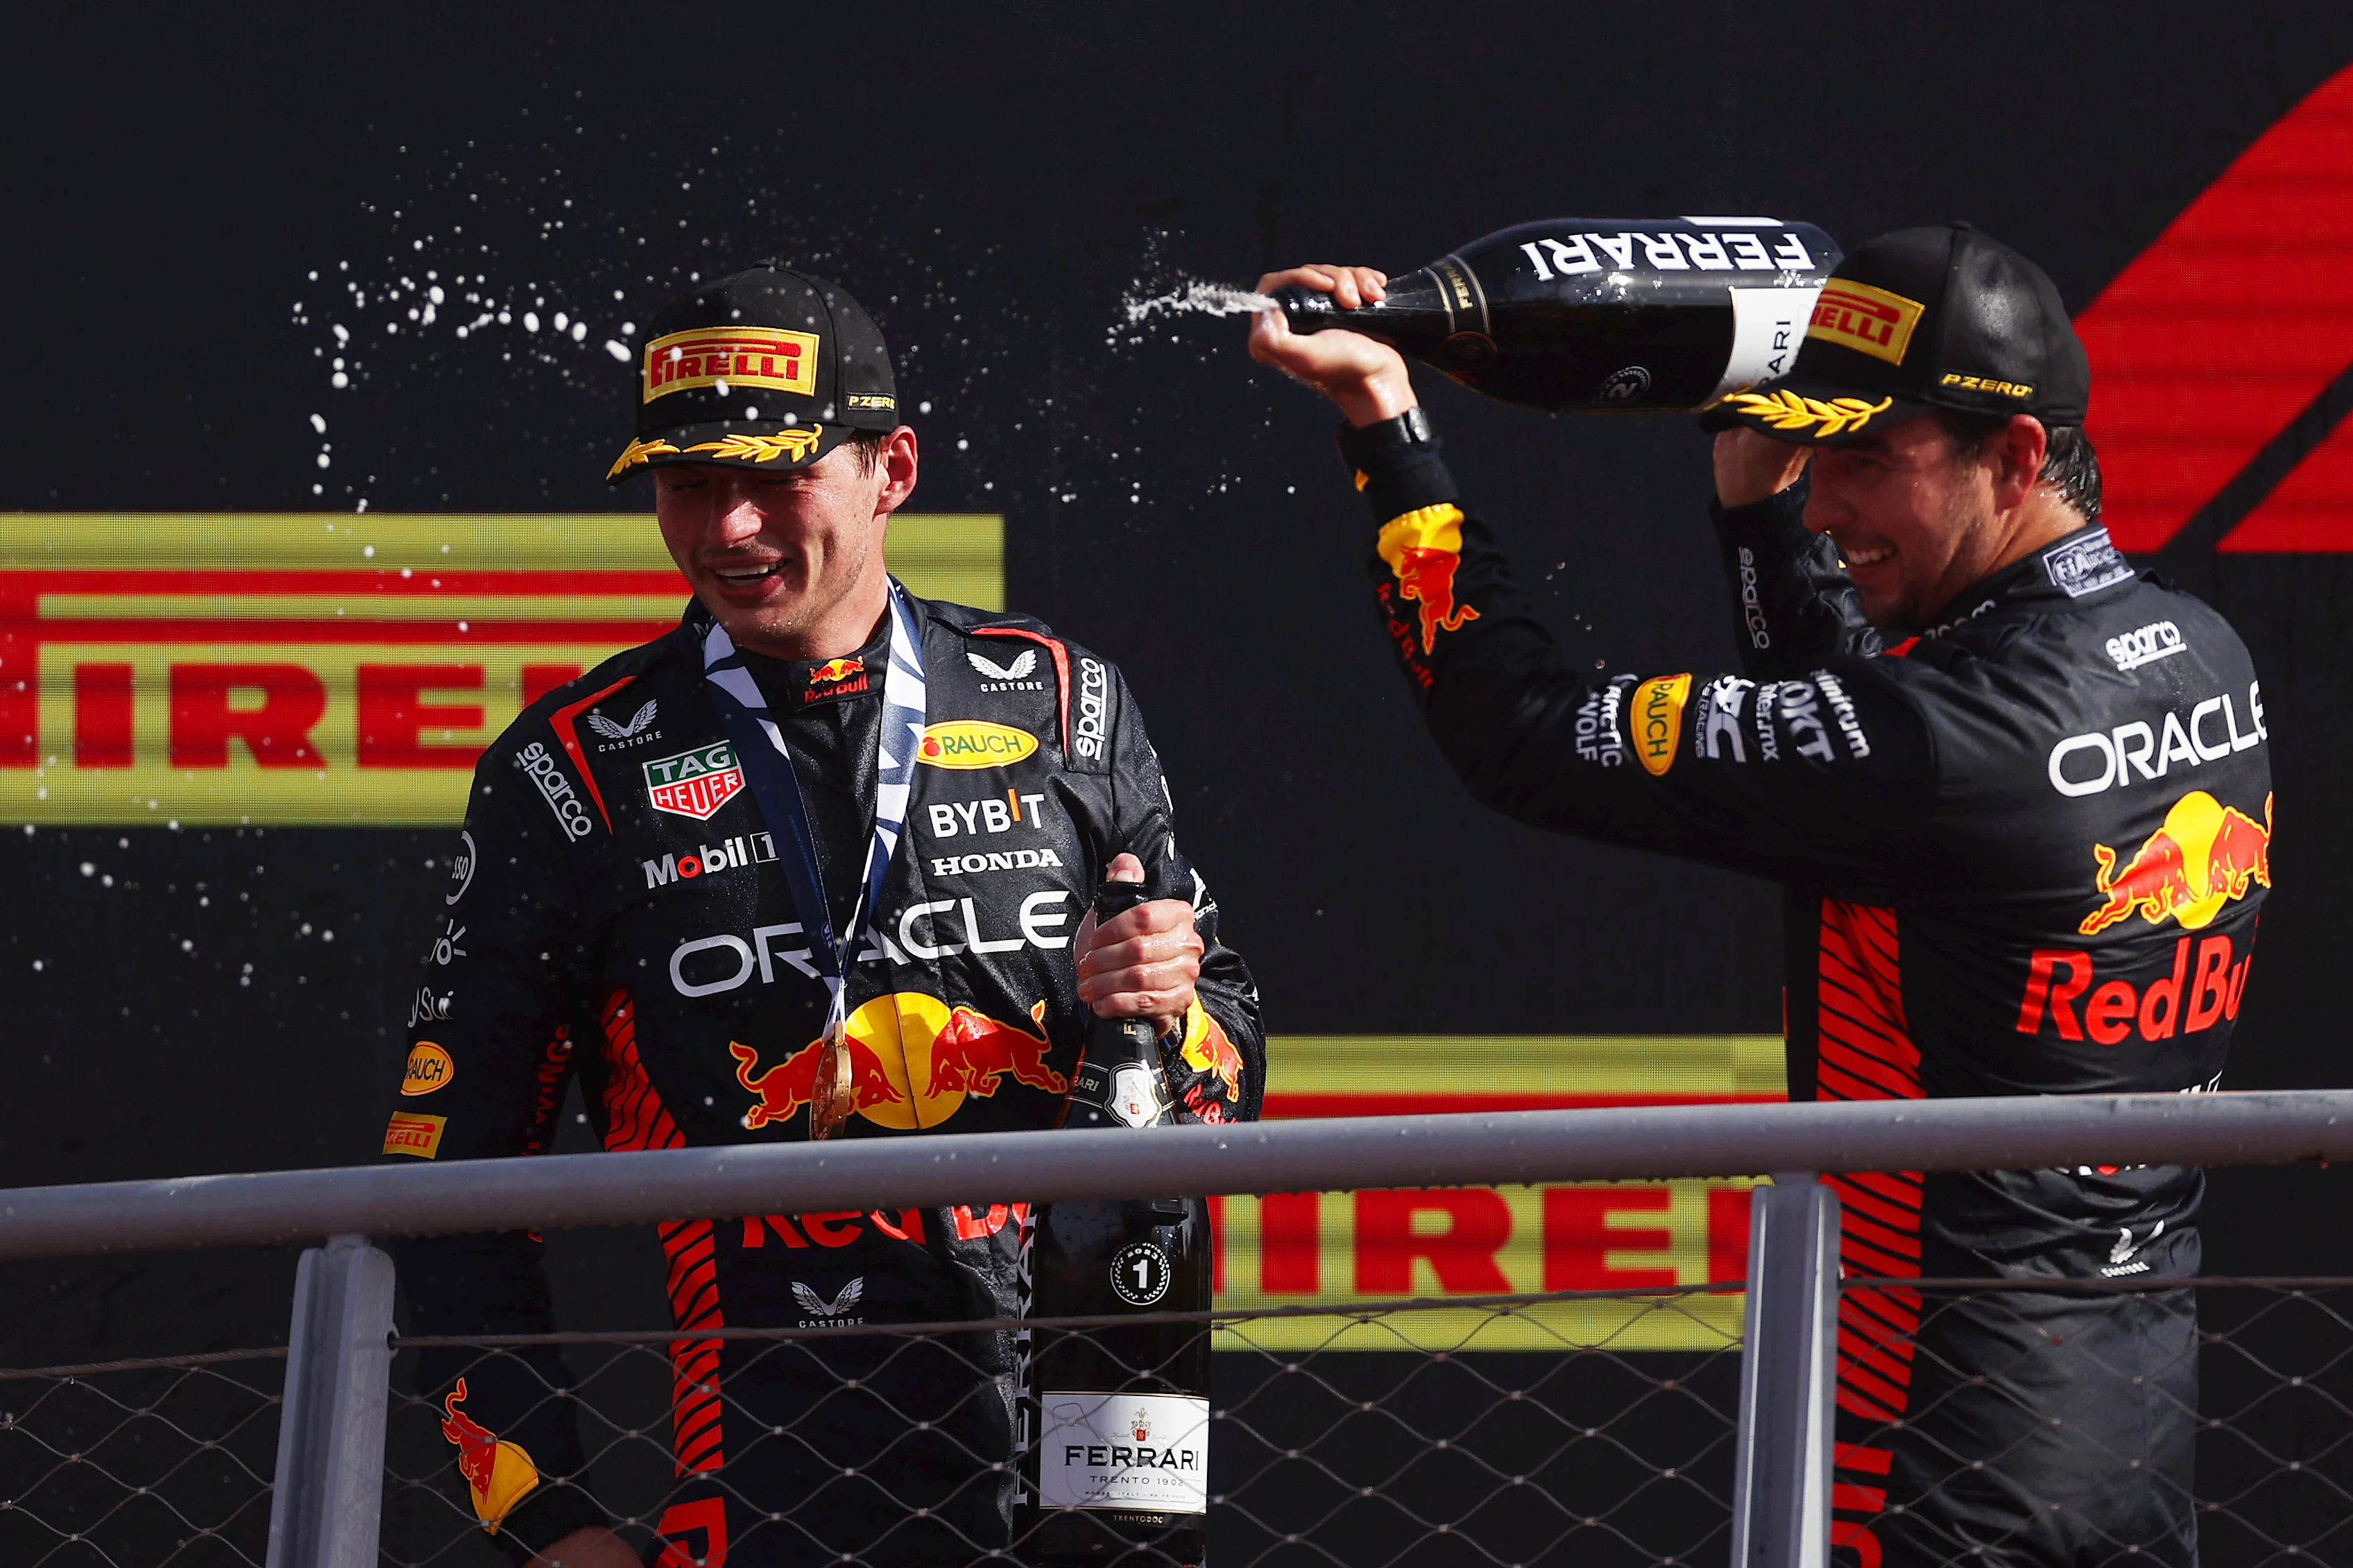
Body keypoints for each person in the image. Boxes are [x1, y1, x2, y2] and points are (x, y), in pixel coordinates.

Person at [1248, 224, 2270, 1565]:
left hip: (1927, 1454)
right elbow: (1876, 767)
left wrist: (1385, 425)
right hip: (2130, 1426)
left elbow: (1518, 730)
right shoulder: (2198, 653)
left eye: (1865, 458)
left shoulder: (1952, 740)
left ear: (2016, 457)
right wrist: (1756, 509)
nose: (1829, 500)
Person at [383, 263, 1263, 1568]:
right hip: (768, 1491)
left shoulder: (1066, 701)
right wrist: (549, 1526)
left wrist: (1174, 1010)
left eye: (777, 477)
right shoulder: (569, 773)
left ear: (890, 468)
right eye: (687, 484)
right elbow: (440, 1187)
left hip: (1101, 1447)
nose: (729, 528)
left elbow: (1227, 1074)